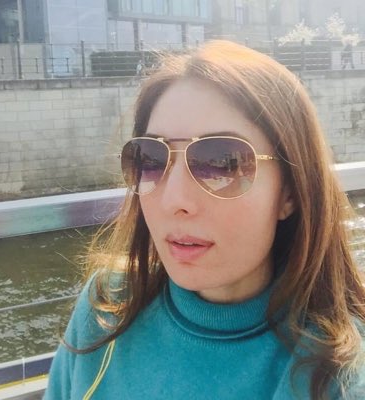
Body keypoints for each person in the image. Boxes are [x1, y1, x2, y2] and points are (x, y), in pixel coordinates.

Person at [44, 40, 365, 399]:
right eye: (151, 159)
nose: (174, 200)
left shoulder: (335, 376)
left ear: (289, 193)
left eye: (223, 163)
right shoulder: (106, 306)